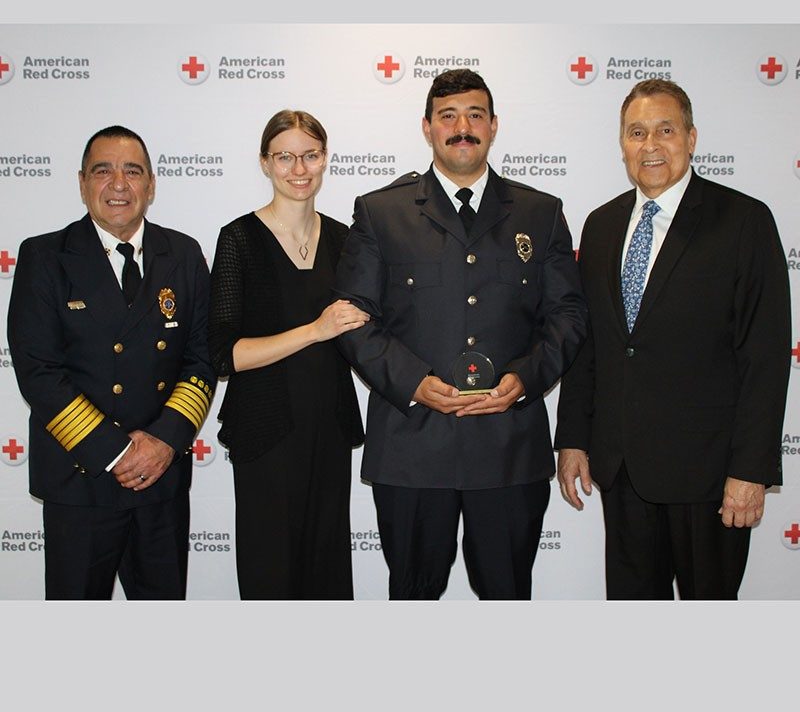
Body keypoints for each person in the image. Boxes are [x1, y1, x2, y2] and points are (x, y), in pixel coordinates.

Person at [334, 69, 587, 600]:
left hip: (508, 449)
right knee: (412, 594)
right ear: (426, 128)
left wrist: (525, 376)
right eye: (447, 116)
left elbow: (567, 316)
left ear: (494, 127)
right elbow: (354, 319)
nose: (462, 127)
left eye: (475, 115)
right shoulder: (380, 212)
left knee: (507, 592)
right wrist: (413, 381)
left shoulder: (541, 213)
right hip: (412, 446)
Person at [555, 79, 791, 600]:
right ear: (622, 144)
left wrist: (750, 471)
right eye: (636, 132)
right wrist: (573, 437)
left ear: (691, 137)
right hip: (622, 470)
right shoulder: (600, 226)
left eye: (665, 130)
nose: (651, 145)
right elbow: (589, 345)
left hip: (709, 478)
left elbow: (765, 357)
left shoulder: (744, 221)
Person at [7, 125, 215, 600]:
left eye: (132, 171)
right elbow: (39, 371)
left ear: (151, 184)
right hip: (80, 482)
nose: (118, 184)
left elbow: (201, 360)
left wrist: (163, 442)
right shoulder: (45, 256)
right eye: (103, 170)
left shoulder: (182, 254)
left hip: (160, 482)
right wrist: (118, 453)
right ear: (82, 182)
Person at [207, 109, 367, 600]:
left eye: (311, 155)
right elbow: (224, 355)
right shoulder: (239, 239)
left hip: (329, 432)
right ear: (264, 162)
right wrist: (315, 330)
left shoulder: (346, 238)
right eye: (285, 157)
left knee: (328, 576)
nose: (299, 169)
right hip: (265, 436)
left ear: (325, 160)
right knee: (270, 576)